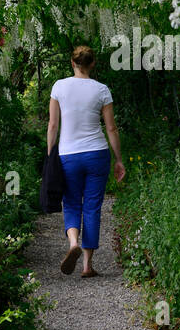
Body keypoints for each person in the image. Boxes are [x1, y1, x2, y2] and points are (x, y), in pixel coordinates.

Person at [47, 45, 126, 277]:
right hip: (96, 153)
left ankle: (73, 244)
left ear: (72, 63)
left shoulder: (59, 86)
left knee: (71, 202)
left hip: (68, 154)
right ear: (92, 64)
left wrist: (50, 154)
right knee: (92, 206)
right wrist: (119, 159)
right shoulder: (101, 90)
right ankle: (87, 266)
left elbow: (53, 125)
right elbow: (111, 128)